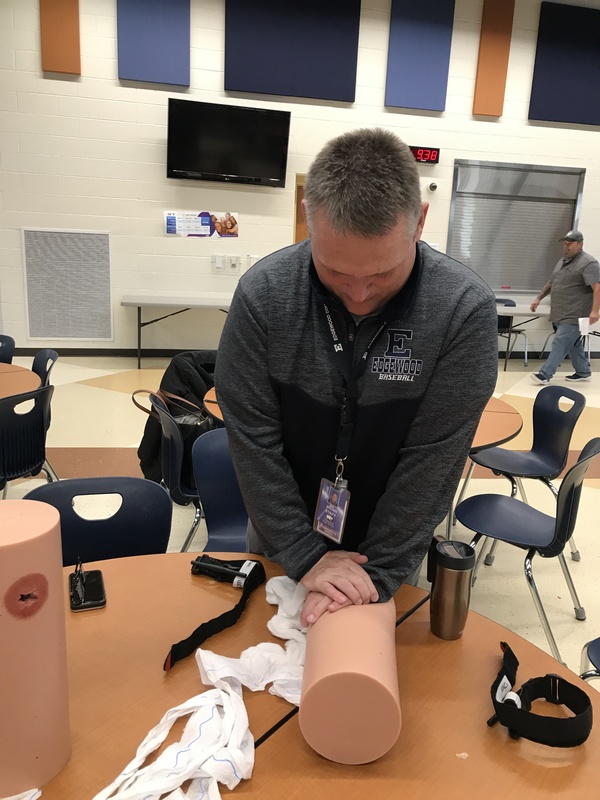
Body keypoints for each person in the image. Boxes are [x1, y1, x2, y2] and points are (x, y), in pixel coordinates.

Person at [215, 128, 498, 627]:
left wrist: (377, 576)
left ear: (420, 222)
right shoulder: (262, 297)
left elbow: (432, 464)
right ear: (308, 219)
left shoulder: (462, 312)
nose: (360, 294)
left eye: (383, 274)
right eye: (336, 272)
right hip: (283, 537)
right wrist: (304, 555)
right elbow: (254, 443)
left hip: (385, 552)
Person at [531, 230, 600, 384]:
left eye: (570, 244)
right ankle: (583, 371)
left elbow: (597, 287)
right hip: (560, 312)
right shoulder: (563, 261)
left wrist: (595, 311)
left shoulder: (589, 263)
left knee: (561, 341)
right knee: (573, 344)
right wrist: (538, 298)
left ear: (580, 244)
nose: (566, 246)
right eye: (565, 243)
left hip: (576, 313)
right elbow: (552, 282)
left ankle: (545, 374)